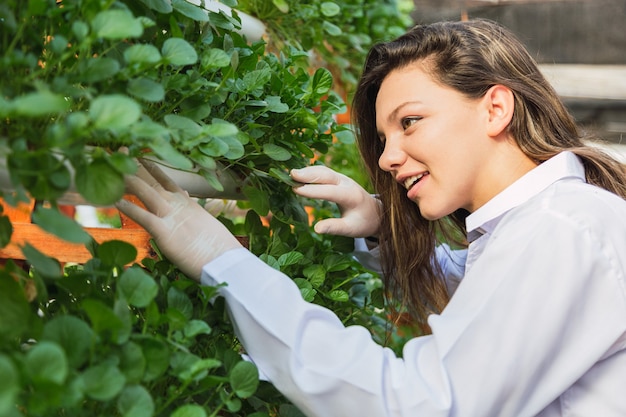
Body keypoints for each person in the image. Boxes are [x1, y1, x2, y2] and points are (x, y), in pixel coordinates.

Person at [116, 19, 626, 417]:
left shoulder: (563, 228)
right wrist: (382, 228)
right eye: (384, 139)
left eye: (410, 122)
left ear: (495, 109)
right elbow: (484, 297)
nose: (386, 158)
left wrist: (227, 262)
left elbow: (415, 403)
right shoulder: (546, 223)